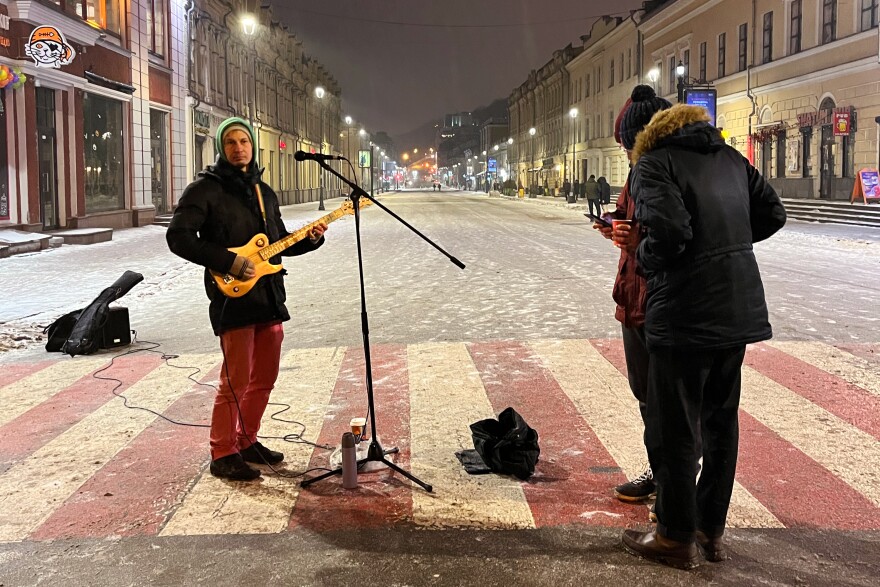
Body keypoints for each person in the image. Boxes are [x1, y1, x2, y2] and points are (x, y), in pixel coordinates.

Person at [619, 100, 786, 568]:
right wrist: (724, 243)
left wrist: (645, 253)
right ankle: (709, 528)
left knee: (673, 431)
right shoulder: (731, 159)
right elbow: (773, 214)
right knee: (719, 425)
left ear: (646, 136)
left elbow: (670, 232)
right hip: (736, 311)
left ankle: (674, 537)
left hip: (685, 313)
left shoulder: (653, 164)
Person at [166, 117, 328, 481]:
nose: (238, 148)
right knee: (235, 380)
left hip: (268, 296)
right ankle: (222, 452)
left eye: (244, 141)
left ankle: (246, 439)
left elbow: (277, 242)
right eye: (231, 143)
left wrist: (312, 238)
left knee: (265, 376)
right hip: (232, 298)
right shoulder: (204, 190)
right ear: (221, 148)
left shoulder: (264, 191)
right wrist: (228, 261)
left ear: (252, 146)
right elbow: (178, 236)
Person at [593, 87, 671, 507]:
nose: (624, 152)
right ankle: (660, 474)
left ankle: (673, 491)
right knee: (646, 396)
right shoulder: (636, 173)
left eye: (627, 143)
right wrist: (615, 229)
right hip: (632, 297)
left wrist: (634, 236)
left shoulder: (662, 171)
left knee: (668, 403)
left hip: (659, 300)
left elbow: (673, 236)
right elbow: (632, 222)